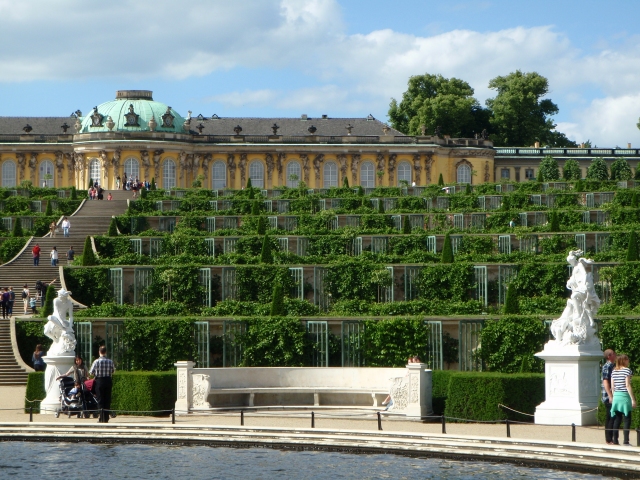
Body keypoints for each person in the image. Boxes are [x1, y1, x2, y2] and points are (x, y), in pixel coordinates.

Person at [611, 353, 636, 446]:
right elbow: (627, 385)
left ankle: (615, 440)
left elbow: (612, 386)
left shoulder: (614, 371)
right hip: (624, 395)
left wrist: (614, 397)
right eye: (627, 359)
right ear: (624, 360)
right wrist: (632, 399)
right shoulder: (627, 371)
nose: (628, 361)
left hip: (616, 395)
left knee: (617, 419)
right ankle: (626, 441)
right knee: (627, 419)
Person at [90, 346, 115, 423]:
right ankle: (106, 418)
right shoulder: (110, 361)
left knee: (100, 400)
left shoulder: (96, 362)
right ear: (105, 352)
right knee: (107, 399)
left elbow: (91, 372)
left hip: (99, 381)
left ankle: (101, 418)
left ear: (99, 352)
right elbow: (113, 371)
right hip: (108, 380)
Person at [602, 349, 617, 445]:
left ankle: (610, 438)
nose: (615, 355)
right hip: (608, 396)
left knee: (612, 417)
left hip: (611, 395)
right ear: (609, 356)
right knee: (610, 417)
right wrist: (610, 396)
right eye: (613, 354)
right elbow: (605, 381)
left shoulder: (612, 366)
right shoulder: (607, 366)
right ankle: (609, 439)